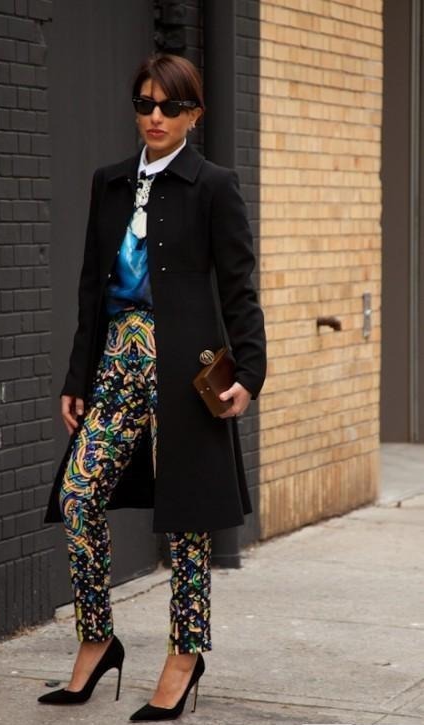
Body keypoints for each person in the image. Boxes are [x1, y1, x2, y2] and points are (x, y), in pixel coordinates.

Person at [39, 53, 266, 721]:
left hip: (183, 369)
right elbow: (91, 287)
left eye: (170, 106)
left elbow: (239, 288)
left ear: (194, 114)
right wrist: (77, 375)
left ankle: (185, 655)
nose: (155, 116)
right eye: (145, 104)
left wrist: (250, 372)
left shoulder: (213, 186)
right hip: (116, 361)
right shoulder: (109, 183)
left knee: (187, 516)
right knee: (78, 494)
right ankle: (97, 638)